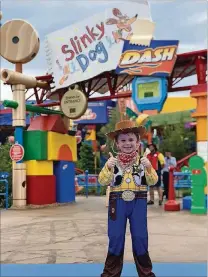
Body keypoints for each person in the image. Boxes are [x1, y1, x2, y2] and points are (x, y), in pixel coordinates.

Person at [98, 119, 158, 277]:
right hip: (117, 203)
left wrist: (149, 167)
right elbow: (102, 181)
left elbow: (154, 181)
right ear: (117, 144)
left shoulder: (143, 161)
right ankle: (110, 274)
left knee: (140, 237)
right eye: (123, 140)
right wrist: (108, 167)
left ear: (138, 142)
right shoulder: (112, 162)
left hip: (139, 201)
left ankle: (146, 273)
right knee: (116, 237)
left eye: (131, 139)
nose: (127, 143)